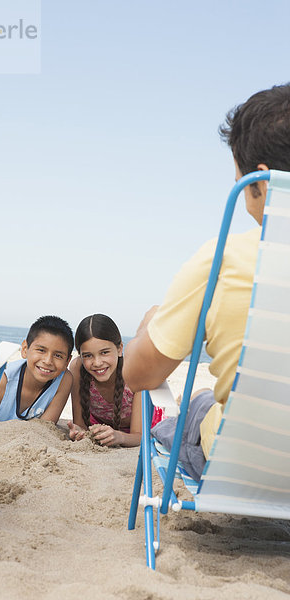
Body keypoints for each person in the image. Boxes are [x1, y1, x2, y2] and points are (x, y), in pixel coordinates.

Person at [123, 83, 290, 480]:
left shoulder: (225, 261)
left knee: (196, 405)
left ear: (263, 183)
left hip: (252, 468)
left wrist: (151, 325)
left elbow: (139, 375)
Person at [0, 315, 74, 428]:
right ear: (25, 349)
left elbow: (45, 428)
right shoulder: (2, 381)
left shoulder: (64, 380)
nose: (48, 361)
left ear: (68, 361)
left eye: (58, 355)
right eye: (41, 350)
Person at [68, 314, 142, 447]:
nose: (97, 363)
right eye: (88, 355)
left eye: (104, 352)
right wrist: (79, 433)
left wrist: (120, 437)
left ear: (119, 349)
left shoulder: (135, 373)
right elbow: (81, 425)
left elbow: (141, 437)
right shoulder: (77, 367)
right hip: (105, 428)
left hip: (142, 430)